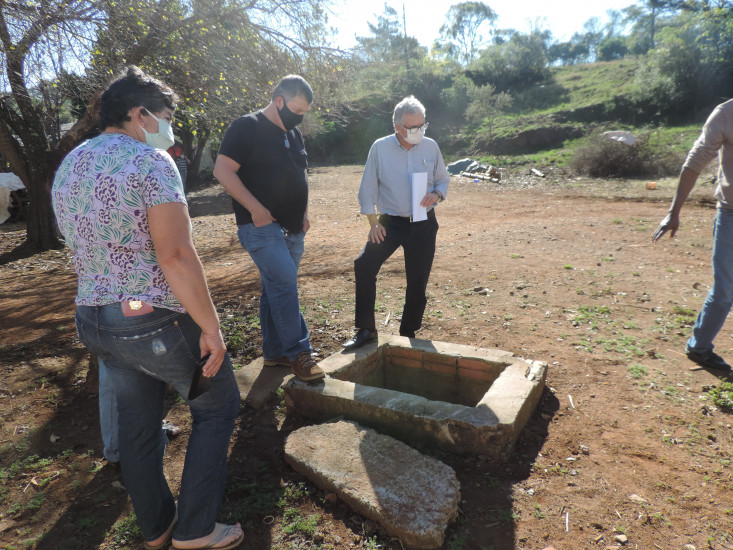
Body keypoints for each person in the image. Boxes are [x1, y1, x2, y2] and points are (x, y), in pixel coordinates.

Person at [52, 66, 244, 550]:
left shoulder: (71, 163)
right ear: (139, 115)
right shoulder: (150, 163)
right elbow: (175, 256)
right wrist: (211, 328)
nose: (168, 128)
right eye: (164, 117)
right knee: (218, 405)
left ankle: (157, 528)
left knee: (137, 425)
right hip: (147, 317)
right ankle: (196, 529)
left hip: (93, 317)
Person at [213, 75, 324, 381]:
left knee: (275, 287)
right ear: (279, 101)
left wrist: (303, 212)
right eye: (296, 110)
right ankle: (300, 353)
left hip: (293, 228)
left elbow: (297, 175)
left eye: (304, 112)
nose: (300, 117)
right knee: (285, 282)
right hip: (260, 227)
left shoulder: (294, 134)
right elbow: (222, 170)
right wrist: (256, 209)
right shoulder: (246, 127)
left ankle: (275, 352)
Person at [343, 96, 450, 349]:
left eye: (423, 125)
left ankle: (408, 333)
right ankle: (366, 329)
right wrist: (373, 223)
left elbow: (442, 180)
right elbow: (368, 186)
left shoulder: (431, 146)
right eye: (413, 127)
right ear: (397, 127)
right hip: (390, 223)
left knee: (417, 282)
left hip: (423, 223)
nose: (419, 131)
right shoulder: (380, 148)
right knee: (364, 264)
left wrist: (436, 194)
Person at [652, 98, 733, 372]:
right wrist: (674, 211)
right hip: (731, 214)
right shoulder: (726, 113)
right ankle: (699, 348)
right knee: (725, 289)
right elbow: (694, 162)